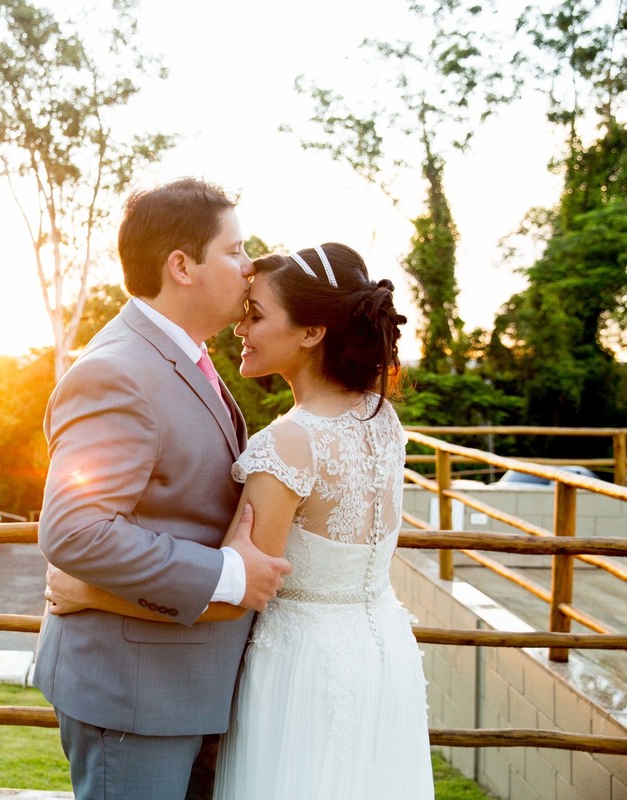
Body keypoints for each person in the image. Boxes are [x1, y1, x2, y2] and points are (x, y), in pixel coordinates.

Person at [48, 242, 434, 799]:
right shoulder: (382, 421)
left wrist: (86, 592)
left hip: (302, 673)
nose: (241, 328)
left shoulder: (288, 444)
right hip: (379, 657)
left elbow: (233, 589)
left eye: (256, 315)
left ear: (311, 333)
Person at [32, 177, 293, 800]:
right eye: (234, 250)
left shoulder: (186, 357)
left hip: (188, 685)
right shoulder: (117, 371)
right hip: (135, 698)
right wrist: (230, 576)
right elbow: (75, 529)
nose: (249, 264)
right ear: (181, 266)